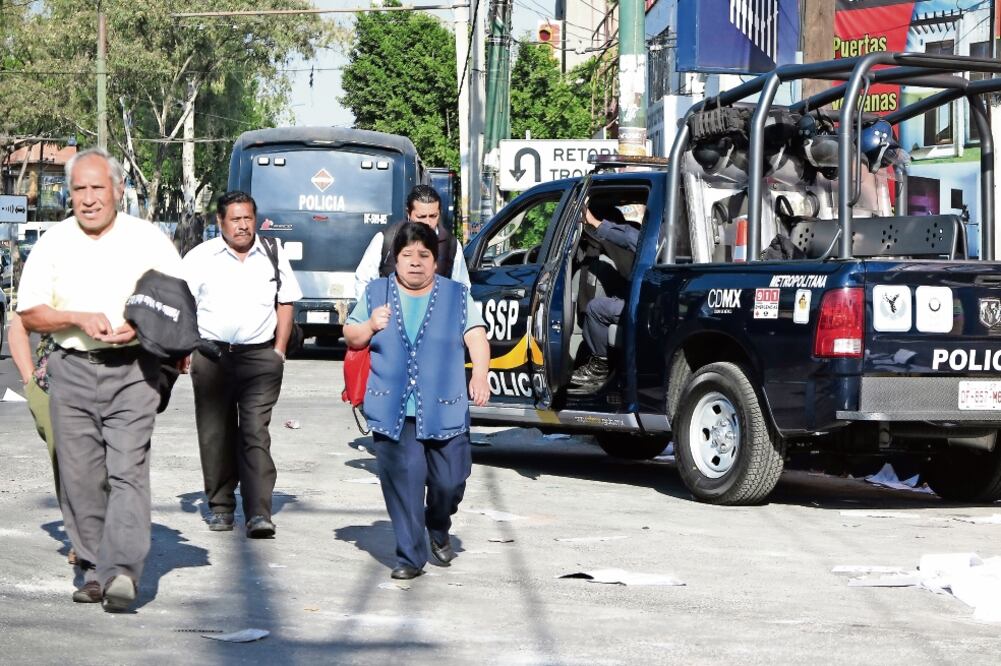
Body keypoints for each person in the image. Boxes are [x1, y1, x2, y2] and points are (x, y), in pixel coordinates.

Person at [17, 147, 183, 612]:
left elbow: (178, 304)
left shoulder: (148, 239)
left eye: (97, 188)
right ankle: (94, 567)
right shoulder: (53, 242)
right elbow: (29, 312)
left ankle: (123, 572)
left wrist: (143, 327)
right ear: (70, 195)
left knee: (127, 470)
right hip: (70, 370)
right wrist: (76, 318)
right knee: (80, 477)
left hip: (134, 371)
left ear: (118, 190)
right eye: (79, 190)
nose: (88, 199)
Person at [344, 222, 490, 580]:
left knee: (450, 482)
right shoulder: (377, 293)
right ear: (395, 259)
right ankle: (410, 556)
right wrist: (370, 326)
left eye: (423, 255)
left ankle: (438, 523)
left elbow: (477, 336)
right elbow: (351, 335)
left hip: (446, 406)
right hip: (393, 409)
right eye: (407, 255)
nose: (415, 262)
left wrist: (480, 374)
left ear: (435, 260)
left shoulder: (456, 295)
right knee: (404, 484)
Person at [182, 191, 302, 539]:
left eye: (248, 218)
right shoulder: (199, 257)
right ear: (220, 222)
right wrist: (185, 348)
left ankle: (259, 512)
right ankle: (220, 506)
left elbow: (286, 302)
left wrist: (279, 350)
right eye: (235, 219)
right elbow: (182, 303)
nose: (242, 225)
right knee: (215, 434)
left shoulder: (273, 253)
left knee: (254, 432)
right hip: (212, 358)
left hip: (260, 359)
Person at [354, 185, 470, 298]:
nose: (428, 222)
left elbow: (462, 288)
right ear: (408, 213)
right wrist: (372, 312)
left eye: (433, 216)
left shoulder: (451, 245)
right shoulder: (386, 239)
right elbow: (363, 281)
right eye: (421, 216)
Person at [570, 203, 640, 390]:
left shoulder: (654, 237)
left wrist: (594, 222)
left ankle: (600, 368)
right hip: (653, 304)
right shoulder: (683, 234)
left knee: (596, 308)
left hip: (644, 307)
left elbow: (629, 236)